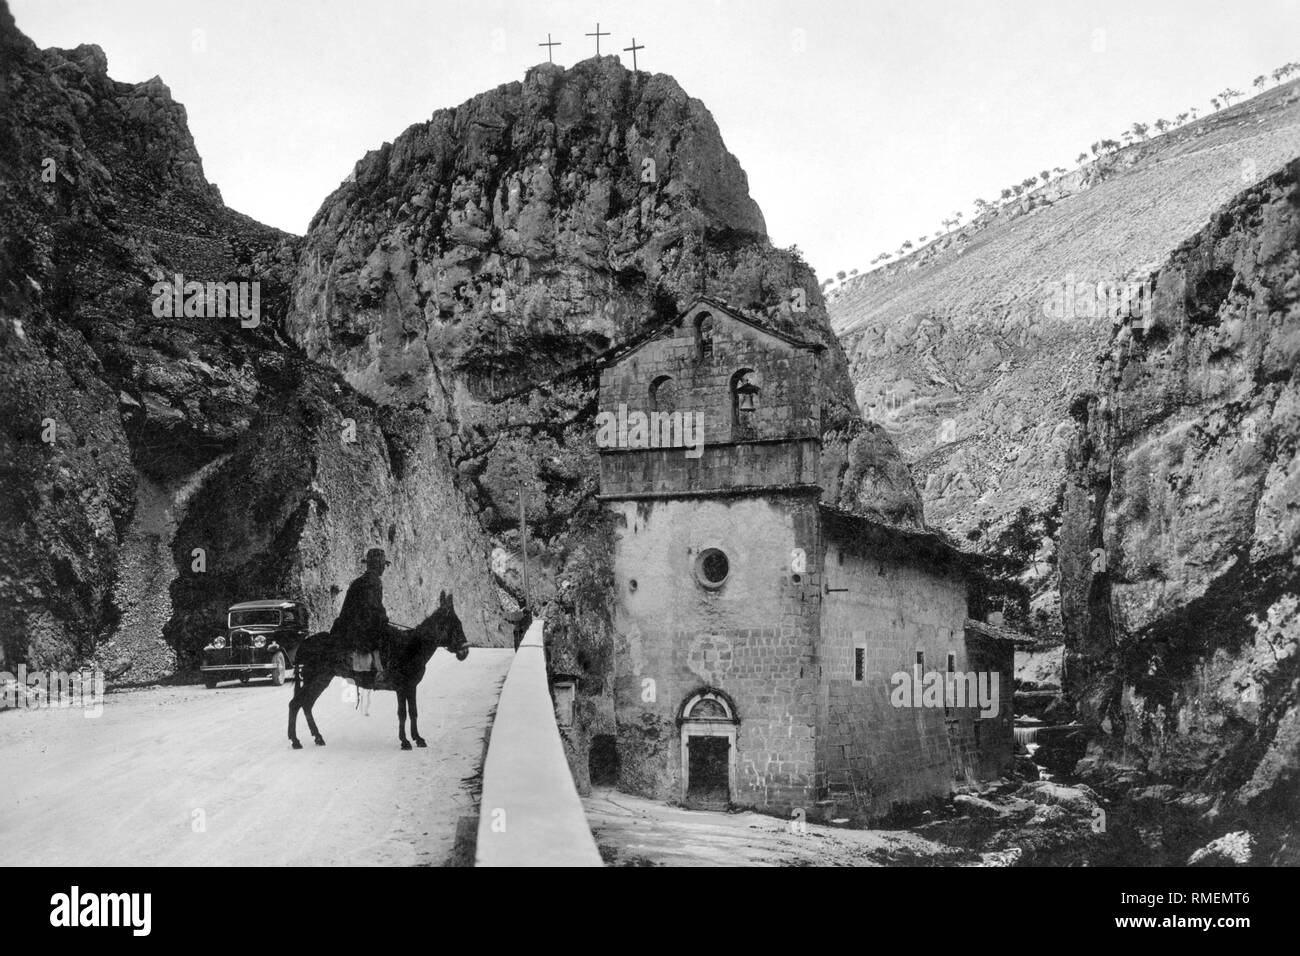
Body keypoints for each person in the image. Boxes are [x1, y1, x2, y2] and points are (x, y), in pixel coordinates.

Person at [331, 548, 391, 682]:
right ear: (377, 565)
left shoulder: (360, 580)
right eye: (382, 565)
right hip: (357, 626)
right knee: (385, 638)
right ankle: (379, 672)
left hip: (347, 624)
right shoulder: (373, 581)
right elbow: (372, 606)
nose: (383, 568)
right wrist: (383, 618)